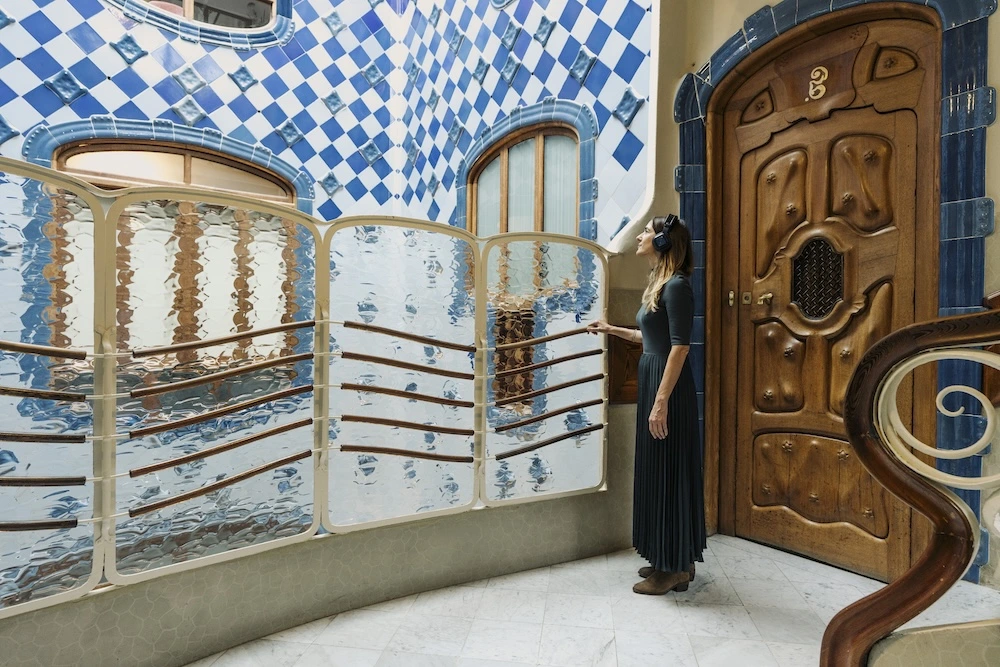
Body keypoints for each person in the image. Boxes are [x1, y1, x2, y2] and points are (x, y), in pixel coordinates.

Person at [587, 214, 706, 595]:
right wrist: (611, 329)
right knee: (659, 470)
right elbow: (650, 339)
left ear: (663, 242)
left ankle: (673, 569)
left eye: (647, 232)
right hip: (656, 380)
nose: (639, 236)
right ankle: (672, 559)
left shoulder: (678, 286)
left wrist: (660, 402)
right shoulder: (661, 284)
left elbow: (680, 347)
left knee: (670, 471)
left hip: (667, 390)